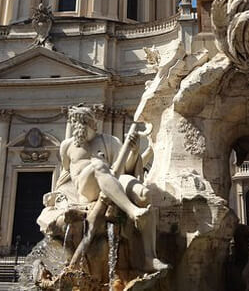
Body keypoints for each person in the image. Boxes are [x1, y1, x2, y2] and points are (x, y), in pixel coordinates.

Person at [56, 105, 167, 271]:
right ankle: (132, 210)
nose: (80, 129)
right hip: (88, 190)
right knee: (97, 164)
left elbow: (125, 169)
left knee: (144, 194)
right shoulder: (67, 146)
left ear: (94, 124)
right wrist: (59, 195)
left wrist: (134, 152)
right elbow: (66, 174)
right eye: (76, 124)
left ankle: (150, 258)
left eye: (84, 124)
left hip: (112, 181)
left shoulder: (109, 141)